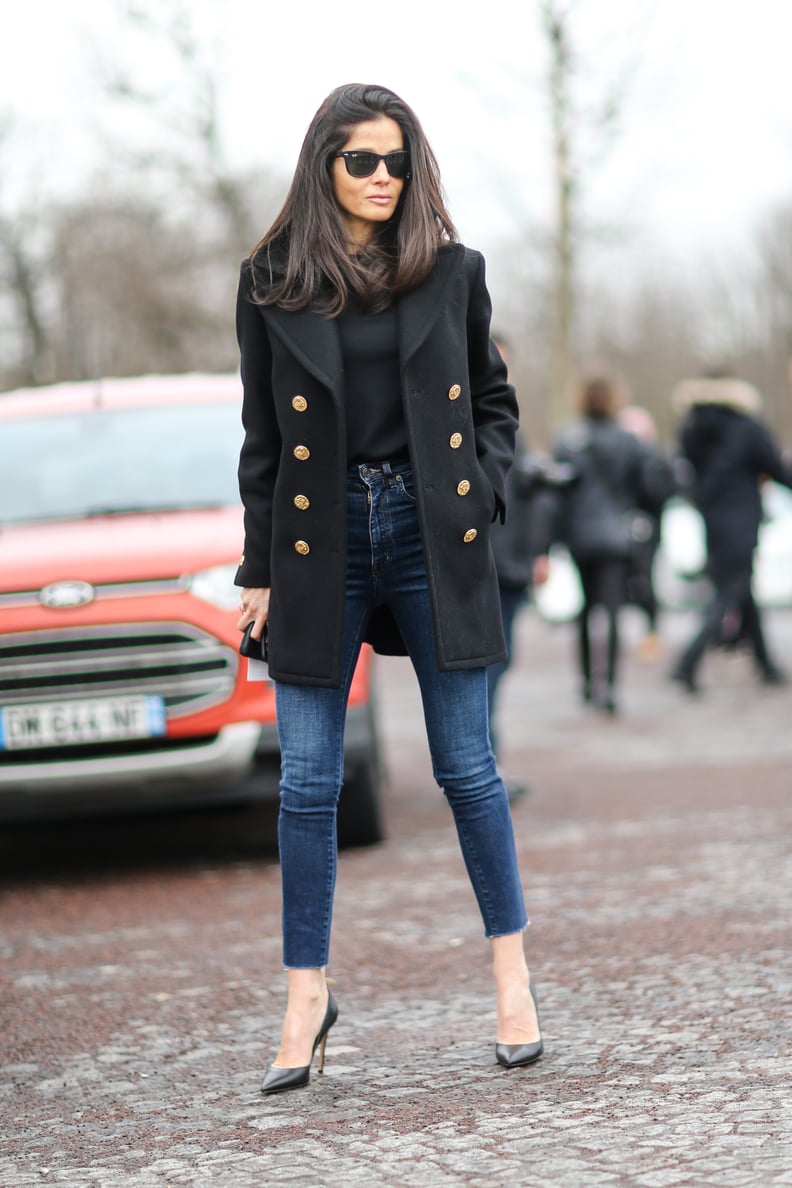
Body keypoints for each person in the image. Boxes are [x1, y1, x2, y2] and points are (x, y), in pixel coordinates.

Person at [234, 83, 543, 1096]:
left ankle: (511, 981)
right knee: (307, 784)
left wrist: (483, 494)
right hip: (320, 544)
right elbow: (263, 445)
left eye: (396, 161)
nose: (380, 179)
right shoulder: (272, 281)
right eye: (360, 160)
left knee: (467, 767)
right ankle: (305, 998)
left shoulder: (453, 272)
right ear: (323, 163)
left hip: (427, 531)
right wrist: (257, 571)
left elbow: (494, 404)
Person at [543, 371, 672, 714]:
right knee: (613, 611)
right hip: (617, 535)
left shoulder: (569, 440)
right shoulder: (630, 441)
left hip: (581, 536)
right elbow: (651, 487)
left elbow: (558, 495)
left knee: (586, 610)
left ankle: (587, 683)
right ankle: (611, 686)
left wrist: (552, 539)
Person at [669, 370, 792, 693]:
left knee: (740, 590)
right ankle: (687, 663)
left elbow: (684, 473)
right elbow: (776, 468)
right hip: (742, 520)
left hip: (713, 521)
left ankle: (766, 666)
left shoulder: (692, 428)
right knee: (727, 594)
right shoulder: (747, 427)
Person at [486, 336, 549, 802]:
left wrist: (536, 554)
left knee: (498, 666)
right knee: (483, 668)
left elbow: (526, 497)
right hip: (478, 566)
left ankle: (485, 768)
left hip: (509, 567)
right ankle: (484, 772)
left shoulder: (509, 420)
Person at [618, 405, 675, 661]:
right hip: (623, 529)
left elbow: (661, 493)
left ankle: (651, 633)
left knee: (644, 583)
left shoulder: (654, 459)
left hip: (646, 530)